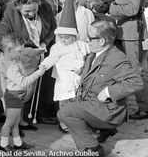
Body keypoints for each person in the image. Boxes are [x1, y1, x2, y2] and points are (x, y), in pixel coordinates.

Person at [57, 19, 144, 156]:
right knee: (70, 107)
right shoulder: (93, 55)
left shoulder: (116, 58)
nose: (87, 41)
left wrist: (108, 91)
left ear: (102, 41)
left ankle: (92, 148)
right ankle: (102, 130)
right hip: (92, 103)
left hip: (108, 109)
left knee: (66, 112)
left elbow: (135, 82)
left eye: (90, 38)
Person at [0, 0, 56, 130]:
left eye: (34, 10)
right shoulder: (8, 10)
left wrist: (45, 42)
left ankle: (20, 121)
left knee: (25, 92)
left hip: (33, 57)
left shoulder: (45, 6)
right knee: (13, 94)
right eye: (27, 11)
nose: (31, 14)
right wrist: (25, 51)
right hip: (13, 57)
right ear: (17, 6)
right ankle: (12, 128)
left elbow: (52, 27)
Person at [39, 0, 89, 133]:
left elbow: (90, 50)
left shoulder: (80, 44)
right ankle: (64, 122)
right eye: (61, 37)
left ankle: (77, 121)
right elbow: (51, 58)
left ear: (74, 36)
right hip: (64, 78)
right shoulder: (58, 47)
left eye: (67, 37)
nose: (64, 40)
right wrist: (44, 65)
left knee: (77, 101)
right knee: (65, 101)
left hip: (78, 78)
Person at [110, 0, 148, 119]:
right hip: (121, 30)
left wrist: (111, 8)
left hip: (130, 31)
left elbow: (132, 8)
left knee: (135, 70)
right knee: (120, 69)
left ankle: (144, 107)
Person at [0, 33, 46, 152]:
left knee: (15, 122)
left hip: (17, 95)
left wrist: (36, 52)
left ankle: (18, 143)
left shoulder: (13, 57)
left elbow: (25, 55)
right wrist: (38, 73)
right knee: (9, 122)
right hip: (14, 96)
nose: (21, 53)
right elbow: (23, 82)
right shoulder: (10, 66)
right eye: (20, 51)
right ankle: (3, 144)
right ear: (9, 50)